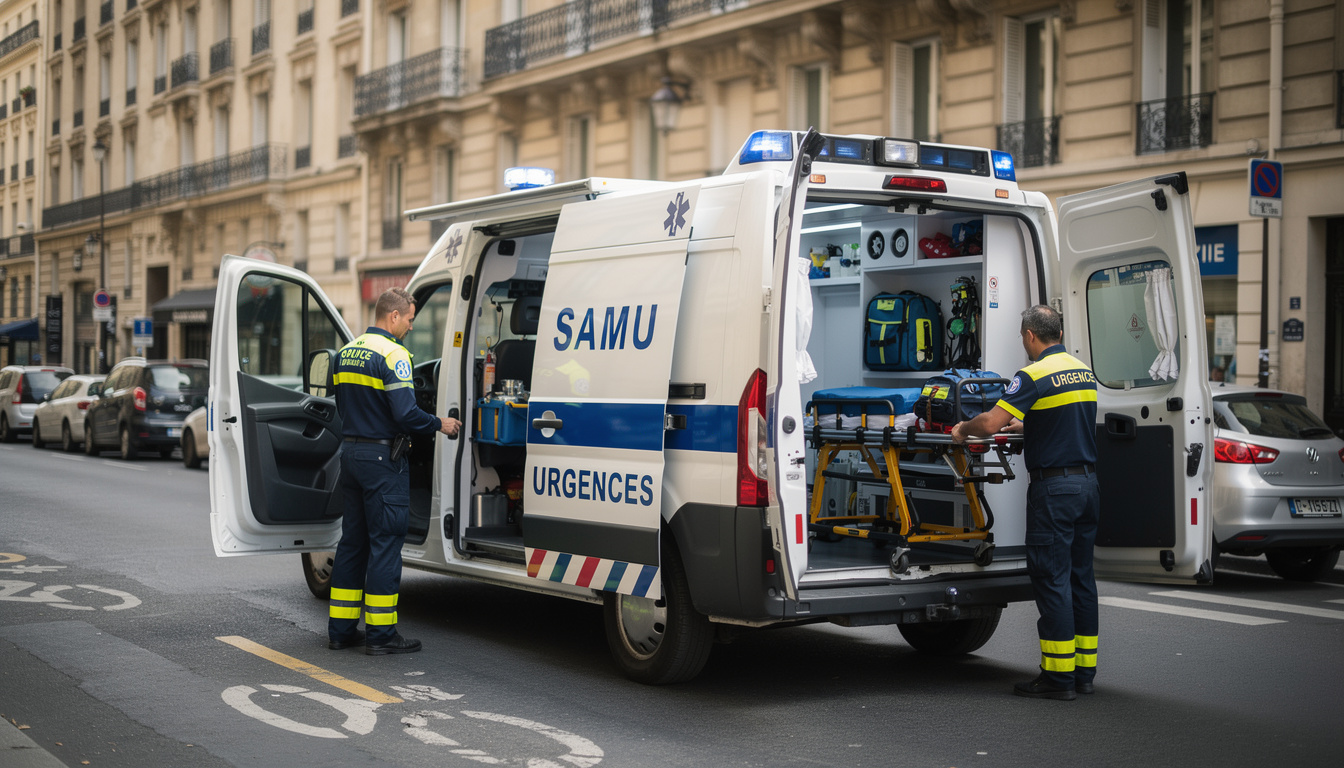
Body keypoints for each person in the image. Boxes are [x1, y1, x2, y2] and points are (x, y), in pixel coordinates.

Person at [951, 305, 1099, 701]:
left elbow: (989, 424)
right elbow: (1065, 419)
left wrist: (962, 429)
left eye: (1022, 337)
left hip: (1056, 490)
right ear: (1059, 333)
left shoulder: (1034, 374)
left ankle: (1058, 678)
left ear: (1030, 335)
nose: (1023, 344)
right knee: (1081, 579)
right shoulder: (1082, 371)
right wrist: (1028, 423)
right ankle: (1083, 673)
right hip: (1087, 486)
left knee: (1052, 579)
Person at [328, 287, 461, 656]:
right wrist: (439, 423)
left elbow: (340, 403)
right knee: (385, 544)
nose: (411, 327)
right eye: (410, 319)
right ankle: (381, 634)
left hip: (351, 455)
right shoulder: (394, 354)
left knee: (352, 544)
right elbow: (405, 414)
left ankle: (341, 631)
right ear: (394, 316)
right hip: (382, 461)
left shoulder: (346, 352)